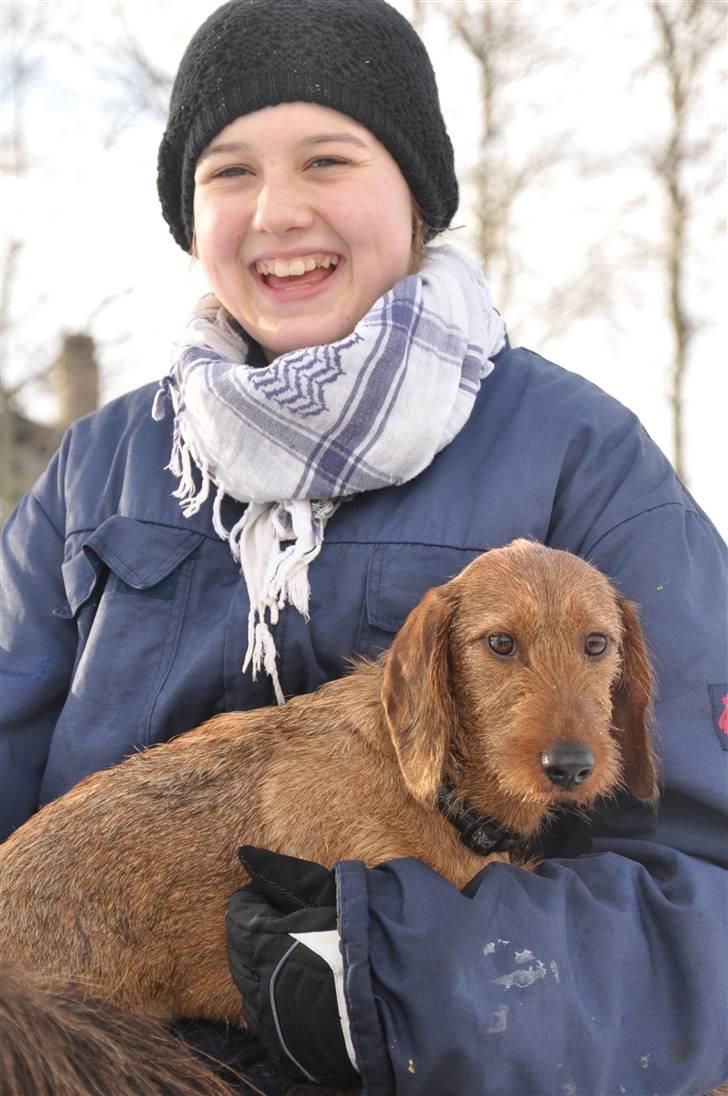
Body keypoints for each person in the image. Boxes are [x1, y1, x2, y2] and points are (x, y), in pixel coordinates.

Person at [1, 0, 726, 1092]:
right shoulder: (104, 466)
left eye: (327, 160)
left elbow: (701, 896)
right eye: (228, 172)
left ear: (416, 194)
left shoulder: (580, 459)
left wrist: (398, 972)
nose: (276, 211)